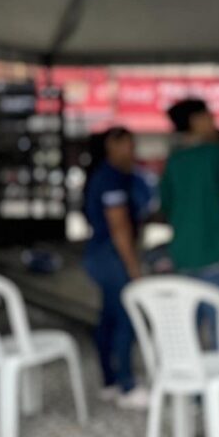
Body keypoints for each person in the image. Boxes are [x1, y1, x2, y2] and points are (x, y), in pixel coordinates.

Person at [160, 98, 219, 347]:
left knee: (191, 327)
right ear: (195, 121)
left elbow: (166, 208)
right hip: (218, 250)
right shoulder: (216, 154)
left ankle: (195, 383)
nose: (213, 121)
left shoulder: (173, 161)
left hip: (184, 256)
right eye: (208, 116)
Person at [82, 126, 152, 410]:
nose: (132, 150)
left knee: (108, 319)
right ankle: (126, 385)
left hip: (100, 256)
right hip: (110, 256)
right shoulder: (110, 179)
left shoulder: (120, 177)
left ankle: (109, 382)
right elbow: (119, 228)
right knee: (125, 319)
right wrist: (134, 269)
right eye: (126, 145)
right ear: (111, 146)